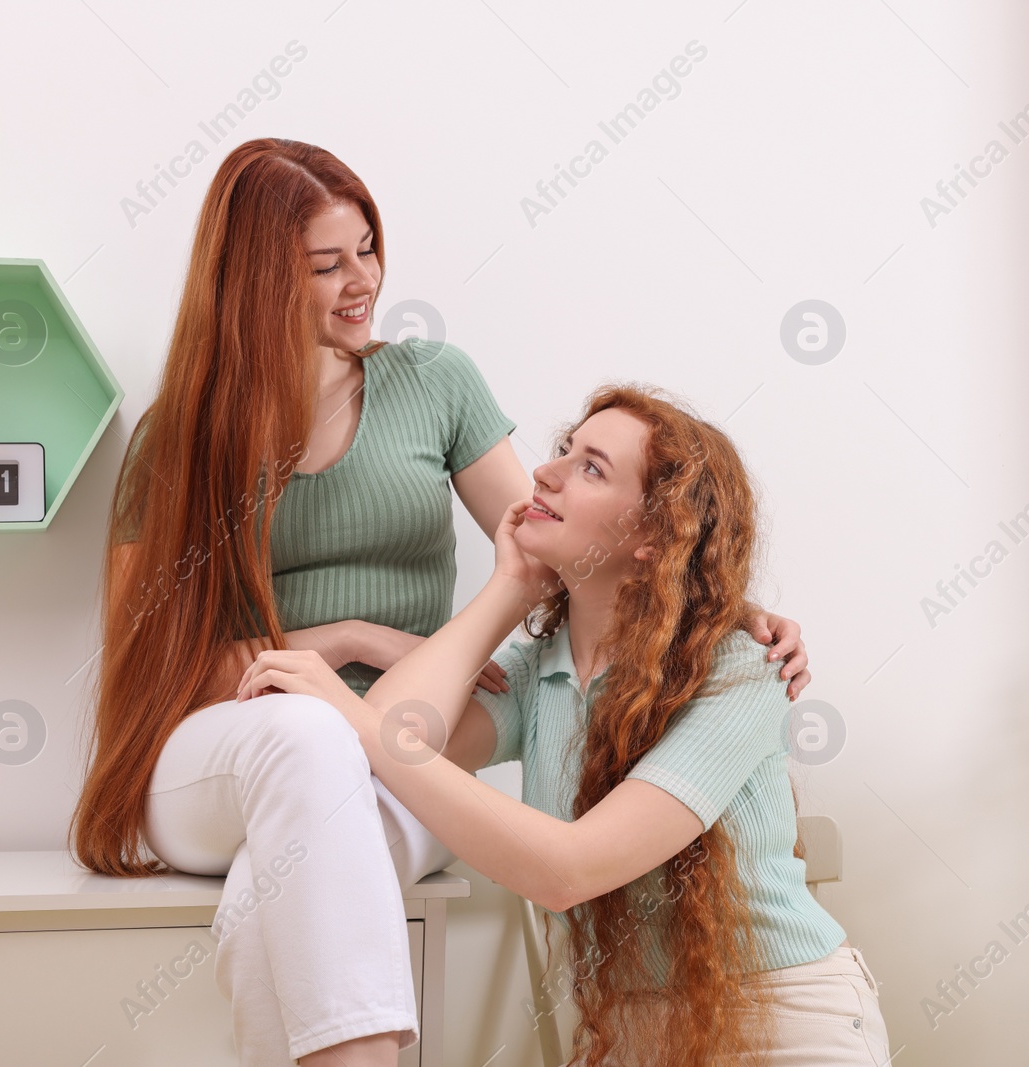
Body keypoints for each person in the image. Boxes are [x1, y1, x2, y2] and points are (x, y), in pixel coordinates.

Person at [69, 137, 813, 1067]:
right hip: (227, 747)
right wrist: (342, 638)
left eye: (368, 248)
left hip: (391, 751)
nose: (363, 281)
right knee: (307, 736)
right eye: (326, 264)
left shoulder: (433, 386)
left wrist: (720, 604)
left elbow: (561, 542)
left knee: (289, 863)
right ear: (256, 278)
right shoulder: (177, 437)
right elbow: (150, 666)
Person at [237, 385, 890, 1067]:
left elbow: (568, 869)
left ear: (651, 539)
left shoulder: (739, 669)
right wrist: (508, 589)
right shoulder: (535, 672)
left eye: (592, 467)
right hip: (628, 1038)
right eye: (563, 450)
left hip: (785, 1026)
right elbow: (389, 750)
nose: (545, 473)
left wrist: (354, 717)